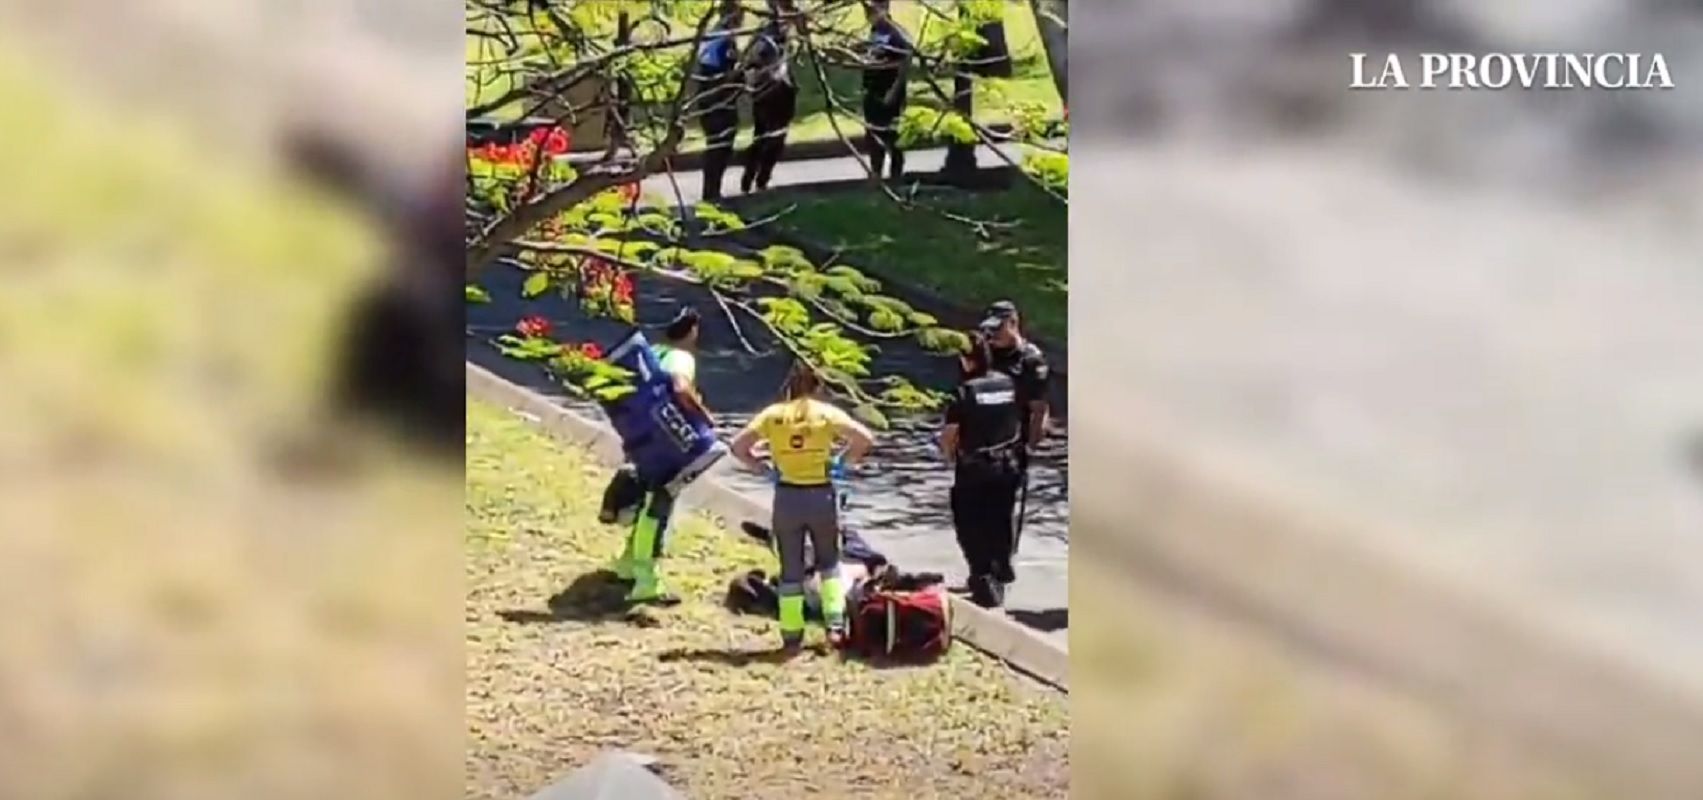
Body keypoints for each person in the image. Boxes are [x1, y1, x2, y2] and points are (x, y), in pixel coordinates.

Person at [729, 361, 875, 650]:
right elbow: (865, 439)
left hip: (787, 496)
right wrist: (841, 463)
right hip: (821, 494)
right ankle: (834, 626)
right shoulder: (826, 414)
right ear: (818, 387)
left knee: (790, 569)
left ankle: (791, 634)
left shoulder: (772, 415)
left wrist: (763, 468)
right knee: (829, 562)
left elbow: (738, 446)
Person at [610, 307, 714, 604]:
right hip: (668, 443)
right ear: (692, 330)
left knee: (646, 504)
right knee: (657, 510)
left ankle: (626, 564)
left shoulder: (652, 352)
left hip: (642, 439)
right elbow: (680, 387)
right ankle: (646, 581)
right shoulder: (682, 357)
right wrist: (705, 416)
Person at [940, 332, 1027, 608]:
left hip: (975, 468)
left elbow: (950, 435)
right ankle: (1002, 564)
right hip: (1008, 464)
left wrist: (948, 456)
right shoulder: (1008, 384)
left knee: (970, 523)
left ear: (967, 360)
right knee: (1000, 518)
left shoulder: (964, 392)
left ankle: (982, 577)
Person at [977, 300, 1051, 583]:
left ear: (1013, 324)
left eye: (998, 330)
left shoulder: (1031, 360)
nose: (992, 337)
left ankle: (999, 562)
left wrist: (1031, 444)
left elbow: (1039, 408)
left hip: (1011, 443)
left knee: (1000, 507)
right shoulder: (986, 354)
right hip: (980, 439)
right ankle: (984, 562)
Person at [738, 0, 798, 194]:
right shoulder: (772, 33)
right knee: (772, 137)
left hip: (768, 90)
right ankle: (759, 179)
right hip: (773, 91)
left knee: (763, 135)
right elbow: (755, 60)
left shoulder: (766, 31)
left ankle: (752, 177)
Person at [693, 5, 745, 201]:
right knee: (721, 146)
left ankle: (711, 191)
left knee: (715, 145)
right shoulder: (725, 40)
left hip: (708, 97)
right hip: (719, 100)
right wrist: (743, 72)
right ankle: (711, 193)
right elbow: (726, 73)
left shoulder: (713, 35)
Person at [860, 0, 913, 182]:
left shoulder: (895, 34)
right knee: (873, 134)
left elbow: (903, 64)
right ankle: (876, 172)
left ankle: (896, 174)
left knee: (892, 135)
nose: (869, 16)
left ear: (884, 9)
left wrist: (893, 91)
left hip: (890, 93)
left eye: (873, 11)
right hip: (872, 92)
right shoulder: (875, 33)